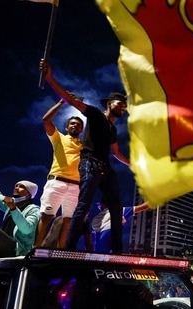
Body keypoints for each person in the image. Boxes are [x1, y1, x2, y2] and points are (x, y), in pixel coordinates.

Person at [39, 58, 130, 253]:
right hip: (90, 164)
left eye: (124, 106)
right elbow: (72, 101)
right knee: (84, 204)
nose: (123, 107)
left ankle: (118, 251)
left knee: (116, 206)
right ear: (109, 104)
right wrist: (50, 78)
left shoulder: (112, 129)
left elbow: (116, 153)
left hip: (106, 168)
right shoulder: (96, 115)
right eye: (120, 103)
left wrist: (133, 165)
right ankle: (69, 249)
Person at [35, 99, 84, 248]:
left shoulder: (84, 146)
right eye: (72, 123)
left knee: (68, 220)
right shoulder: (59, 138)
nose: (75, 125)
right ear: (67, 126)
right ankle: (35, 250)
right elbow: (46, 120)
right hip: (57, 181)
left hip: (75, 186)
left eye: (79, 125)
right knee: (47, 216)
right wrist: (62, 101)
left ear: (81, 130)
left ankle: (60, 251)